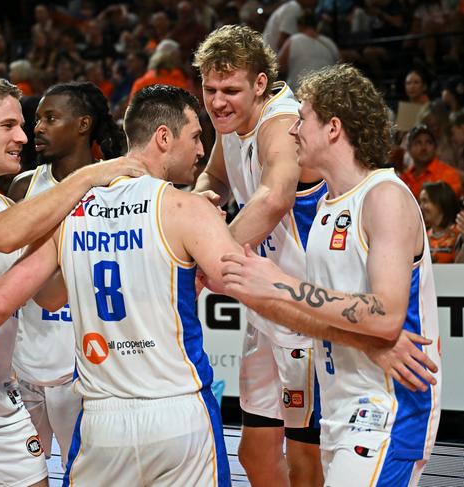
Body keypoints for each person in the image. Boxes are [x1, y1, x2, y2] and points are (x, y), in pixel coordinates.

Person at [0, 84, 237, 487]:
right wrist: (91, 176)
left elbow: (48, 293)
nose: (22, 135)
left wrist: (163, 245)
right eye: (9, 125)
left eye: (23, 124)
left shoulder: (7, 205)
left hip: (1, 391)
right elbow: (5, 235)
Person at [220, 64, 441, 487]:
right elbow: (321, 321)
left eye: (302, 119)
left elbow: (386, 315)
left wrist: (281, 284)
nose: (293, 130)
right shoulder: (325, 211)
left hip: (390, 412)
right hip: (341, 409)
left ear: (334, 128)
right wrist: (270, 295)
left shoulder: (385, 197)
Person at [192, 24, 326, 486]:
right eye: (210, 89)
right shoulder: (231, 123)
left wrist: (209, 257)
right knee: (254, 453)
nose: (216, 101)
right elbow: (214, 177)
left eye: (230, 89)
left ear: (261, 85)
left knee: (308, 459)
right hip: (265, 309)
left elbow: (274, 198)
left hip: (305, 309)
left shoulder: (281, 122)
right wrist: (201, 202)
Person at [8, 81, 126, 467]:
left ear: (83, 124)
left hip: (83, 361)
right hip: (24, 357)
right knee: (21, 475)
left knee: (82, 472)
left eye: (51, 118)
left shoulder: (114, 186)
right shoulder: (24, 184)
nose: (37, 128)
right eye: (37, 118)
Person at [400, 124, 462, 199]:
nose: (424, 147)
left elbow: (449, 205)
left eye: (429, 142)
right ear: (409, 149)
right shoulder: (404, 179)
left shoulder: (448, 174)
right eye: (418, 143)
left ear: (435, 148)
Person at [419, 181, 462, 263]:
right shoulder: (421, 237)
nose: (421, 207)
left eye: (425, 201)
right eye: (420, 202)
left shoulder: (459, 234)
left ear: (441, 202)